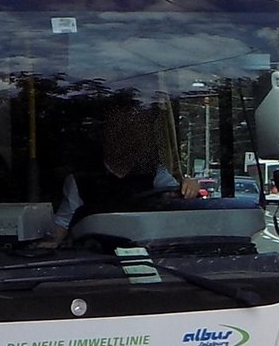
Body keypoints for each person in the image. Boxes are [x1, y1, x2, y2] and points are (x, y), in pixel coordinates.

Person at [44, 103, 200, 248]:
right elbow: (63, 225)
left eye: (132, 132)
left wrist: (189, 187)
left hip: (145, 251)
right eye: (119, 132)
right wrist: (51, 243)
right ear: (106, 137)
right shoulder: (81, 179)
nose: (126, 140)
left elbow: (175, 200)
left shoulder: (154, 172)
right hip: (98, 257)